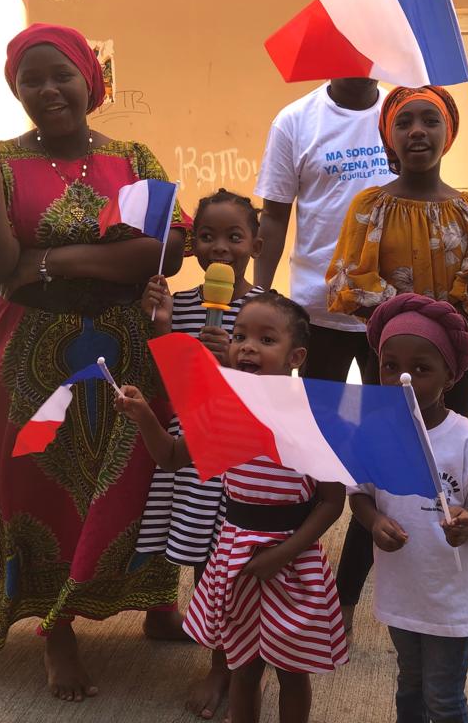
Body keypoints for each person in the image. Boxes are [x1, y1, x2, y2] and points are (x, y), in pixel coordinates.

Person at [0, 23, 190, 702]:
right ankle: (57, 629)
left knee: (136, 475)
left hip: (127, 349)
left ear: (90, 79)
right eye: (31, 79)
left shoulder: (134, 157)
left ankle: (156, 600)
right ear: (15, 91)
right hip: (26, 360)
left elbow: (163, 251)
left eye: (62, 75)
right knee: (36, 483)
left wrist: (46, 261)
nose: (48, 89)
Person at [325, 85, 468, 658]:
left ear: (446, 134)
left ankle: (459, 619)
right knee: (382, 490)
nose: (417, 131)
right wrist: (415, 319)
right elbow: (349, 282)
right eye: (404, 121)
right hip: (397, 368)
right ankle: (346, 606)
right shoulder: (369, 207)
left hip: (452, 369)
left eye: (430, 120)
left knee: (447, 487)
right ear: (390, 135)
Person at [117, 292, 348, 723]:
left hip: (292, 564)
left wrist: (281, 554)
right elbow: (171, 456)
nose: (246, 346)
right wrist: (145, 414)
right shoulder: (226, 410)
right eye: (240, 335)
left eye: (265, 339)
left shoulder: (309, 417)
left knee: (293, 670)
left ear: (295, 355)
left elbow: (333, 502)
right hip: (235, 560)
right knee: (243, 667)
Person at [136, 189, 264, 719]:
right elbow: (176, 389)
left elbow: (274, 390)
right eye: (207, 236)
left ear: (255, 243)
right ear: (192, 245)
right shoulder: (182, 304)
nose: (220, 248)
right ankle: (219, 652)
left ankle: (225, 666)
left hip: (241, 460)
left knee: (237, 561)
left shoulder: (266, 310)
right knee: (206, 563)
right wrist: (165, 329)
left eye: (235, 237)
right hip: (192, 461)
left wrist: (233, 363)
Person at [349, 294, 468, 723]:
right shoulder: (374, 433)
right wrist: (375, 519)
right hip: (404, 590)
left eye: (421, 368)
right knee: (410, 685)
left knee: (445, 698)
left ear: (449, 377)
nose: (403, 377)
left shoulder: (467, 439)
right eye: (390, 365)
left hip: (450, 596)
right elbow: (358, 493)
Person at [254, 77, 387, 383]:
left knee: (384, 421)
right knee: (318, 421)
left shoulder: (402, 115)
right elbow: (274, 216)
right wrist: (261, 295)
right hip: (317, 309)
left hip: (389, 308)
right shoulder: (294, 121)